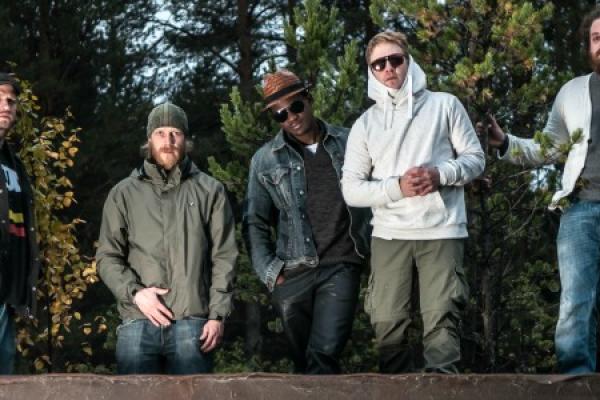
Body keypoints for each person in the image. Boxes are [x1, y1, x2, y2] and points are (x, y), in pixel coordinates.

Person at [341, 32, 485, 373]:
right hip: (390, 234)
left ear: (408, 61)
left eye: (395, 59)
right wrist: (397, 188)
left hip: (442, 230)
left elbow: (475, 159)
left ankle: (442, 391)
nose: (388, 68)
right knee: (387, 323)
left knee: (442, 323)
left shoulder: (445, 105)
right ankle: (395, 394)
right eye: (379, 64)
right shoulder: (365, 124)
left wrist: (440, 174)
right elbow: (351, 189)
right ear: (371, 71)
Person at [486, 6, 600, 374]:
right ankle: (576, 380)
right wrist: (505, 142)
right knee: (576, 300)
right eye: (596, 38)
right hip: (581, 210)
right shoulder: (573, 92)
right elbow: (546, 147)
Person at [242, 69, 371, 374]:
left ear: (309, 99)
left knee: (323, 352)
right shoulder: (265, 159)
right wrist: (270, 271)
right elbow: (255, 221)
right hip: (293, 272)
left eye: (296, 106)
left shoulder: (350, 141)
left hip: (342, 264)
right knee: (303, 363)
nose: (291, 117)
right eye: (280, 114)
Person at [96, 102, 237, 374]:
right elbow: (107, 257)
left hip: (193, 323)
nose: (168, 141)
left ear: (186, 140)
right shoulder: (123, 194)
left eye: (175, 133)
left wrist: (217, 315)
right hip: (138, 320)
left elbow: (224, 256)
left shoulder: (210, 191)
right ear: (149, 140)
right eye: (160, 133)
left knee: (193, 394)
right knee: (136, 394)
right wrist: (135, 293)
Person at [0, 73, 41, 375]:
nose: (6, 106)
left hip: (7, 294)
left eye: (11, 101)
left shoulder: (15, 165)